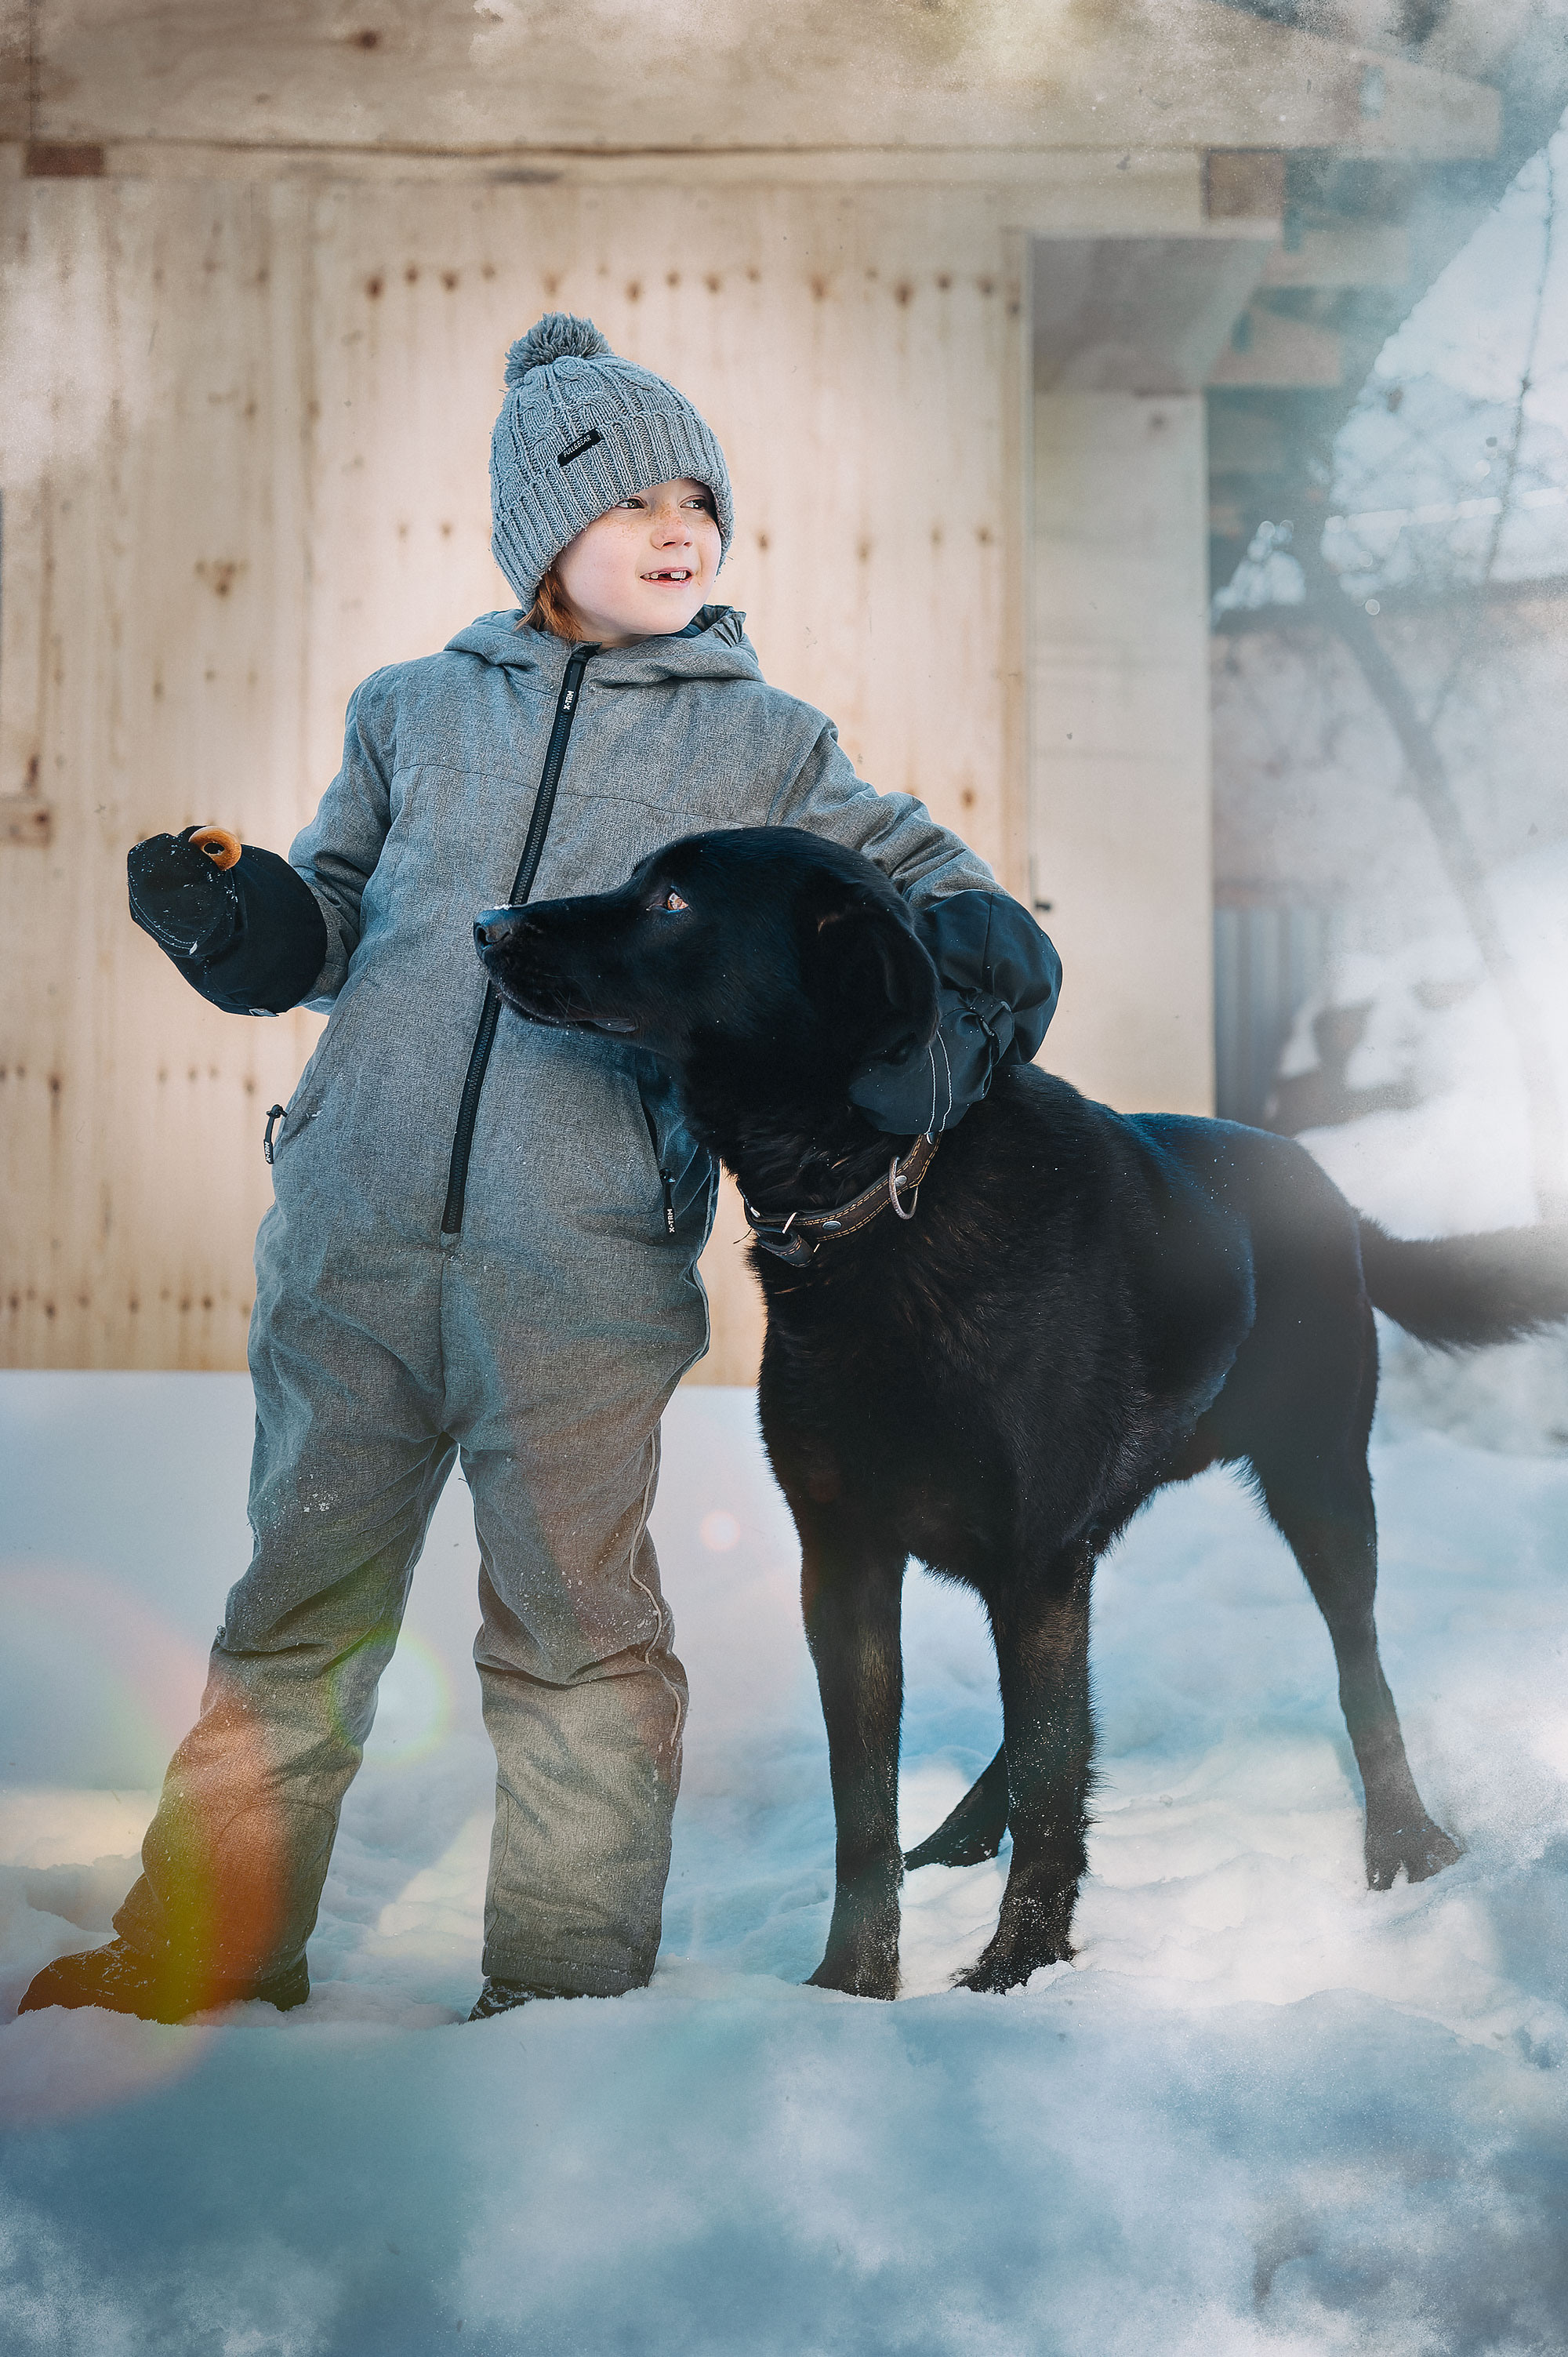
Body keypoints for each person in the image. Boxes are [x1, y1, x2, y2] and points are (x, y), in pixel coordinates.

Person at [20, 315, 1059, 2025]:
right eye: (630, 495)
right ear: (536, 535)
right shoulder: (412, 712)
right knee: (295, 1615)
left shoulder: (766, 746)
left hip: (580, 1261)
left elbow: (918, 874)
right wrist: (239, 919)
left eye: (697, 497)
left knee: (575, 1633)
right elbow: (330, 924)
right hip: (350, 1238)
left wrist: (979, 951)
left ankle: (564, 1990)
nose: (678, 526)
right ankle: (199, 1953)